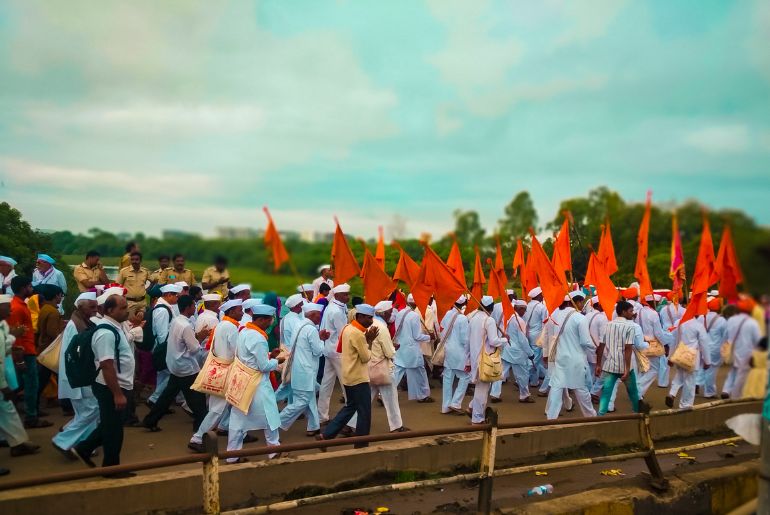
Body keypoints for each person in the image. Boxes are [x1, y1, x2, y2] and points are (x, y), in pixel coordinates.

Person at [71, 294, 135, 477]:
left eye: (126, 306)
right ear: (109, 310)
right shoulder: (105, 333)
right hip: (110, 387)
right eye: (122, 308)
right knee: (114, 430)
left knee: (111, 425)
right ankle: (111, 469)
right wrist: (117, 394)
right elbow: (107, 365)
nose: (126, 310)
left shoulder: (115, 327)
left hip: (118, 385)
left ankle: (83, 449)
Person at [226, 303, 286, 462]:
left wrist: (268, 355)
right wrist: (277, 360)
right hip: (257, 382)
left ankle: (232, 455)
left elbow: (248, 355)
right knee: (270, 416)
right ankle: (274, 449)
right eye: (269, 320)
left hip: (242, 379)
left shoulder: (244, 331)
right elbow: (264, 366)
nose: (271, 323)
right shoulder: (259, 338)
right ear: (261, 320)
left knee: (238, 418)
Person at [143, 295, 210, 433]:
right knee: (199, 405)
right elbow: (194, 349)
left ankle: (150, 420)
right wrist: (201, 338)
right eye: (193, 305)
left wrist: (196, 336)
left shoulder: (177, 321)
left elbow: (184, 342)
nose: (195, 308)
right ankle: (199, 434)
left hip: (176, 366)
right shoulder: (185, 325)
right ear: (188, 308)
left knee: (166, 397)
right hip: (187, 369)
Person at [318, 304, 379, 447]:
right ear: (360, 317)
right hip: (358, 378)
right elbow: (365, 357)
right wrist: (369, 341)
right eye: (369, 318)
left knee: (350, 407)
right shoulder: (357, 334)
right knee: (364, 412)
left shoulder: (348, 328)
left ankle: (326, 436)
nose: (371, 321)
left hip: (348, 376)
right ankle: (361, 444)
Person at [189, 299, 243, 449]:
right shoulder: (231, 327)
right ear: (232, 311)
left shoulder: (221, 324)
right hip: (226, 371)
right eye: (240, 310)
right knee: (217, 410)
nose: (242, 312)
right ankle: (198, 438)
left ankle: (232, 431)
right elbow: (236, 351)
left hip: (219, 369)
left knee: (224, 407)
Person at [52, 292, 100, 455]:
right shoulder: (76, 325)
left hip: (79, 376)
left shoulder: (82, 322)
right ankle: (63, 440)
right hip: (79, 377)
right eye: (91, 307)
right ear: (80, 307)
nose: (95, 310)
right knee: (92, 409)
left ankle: (82, 444)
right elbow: (76, 354)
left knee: (87, 411)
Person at [0, 293, 41, 475]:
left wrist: (11, 342)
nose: (10, 309)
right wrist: (3, 386)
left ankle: (17, 443)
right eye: (6, 306)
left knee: (7, 410)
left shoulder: (2, 325)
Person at [542, 292, 596, 420]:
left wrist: (546, 352)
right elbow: (585, 341)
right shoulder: (579, 318)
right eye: (581, 302)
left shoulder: (554, 314)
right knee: (581, 389)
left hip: (559, 357)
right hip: (575, 359)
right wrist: (597, 346)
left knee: (556, 387)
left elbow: (547, 334)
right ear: (576, 302)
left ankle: (551, 417)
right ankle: (591, 415)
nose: (582, 305)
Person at [279, 303, 329, 436]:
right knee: (302, 401)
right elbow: (318, 351)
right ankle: (276, 422)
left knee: (309, 397)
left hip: (299, 369)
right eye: (319, 314)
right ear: (312, 314)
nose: (320, 317)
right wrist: (322, 339)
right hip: (306, 371)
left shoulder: (299, 324)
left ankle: (313, 427)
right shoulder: (311, 329)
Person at [7, 276, 52, 428]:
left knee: (22, 385)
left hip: (26, 350)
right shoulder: (17, 308)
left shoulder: (20, 305)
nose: (32, 289)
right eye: (30, 287)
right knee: (30, 385)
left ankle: (28, 414)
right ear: (23, 288)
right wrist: (19, 360)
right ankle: (30, 417)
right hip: (24, 353)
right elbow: (15, 335)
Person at [595, 301, 648, 416]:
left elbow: (601, 347)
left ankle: (600, 415)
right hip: (625, 366)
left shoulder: (608, 325)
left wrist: (598, 365)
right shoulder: (630, 326)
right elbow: (628, 348)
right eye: (630, 311)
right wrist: (627, 369)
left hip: (611, 365)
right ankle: (636, 414)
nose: (632, 313)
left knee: (606, 392)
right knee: (633, 392)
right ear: (623, 312)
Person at [467, 296, 508, 424]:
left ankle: (472, 408)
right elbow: (494, 340)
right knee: (482, 390)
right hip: (484, 359)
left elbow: (467, 340)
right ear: (491, 307)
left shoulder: (472, 318)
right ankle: (477, 419)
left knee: (481, 387)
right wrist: (505, 339)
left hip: (475, 357)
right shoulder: (488, 320)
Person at [371, 301, 407, 432]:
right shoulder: (382, 326)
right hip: (383, 367)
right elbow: (389, 351)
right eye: (391, 313)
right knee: (391, 398)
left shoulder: (370, 323)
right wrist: (394, 348)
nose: (392, 315)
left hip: (370, 367)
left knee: (365, 399)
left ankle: (351, 424)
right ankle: (396, 426)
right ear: (385, 313)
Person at [318, 284, 352, 423]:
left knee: (326, 384)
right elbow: (343, 333)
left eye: (347, 294)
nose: (347, 297)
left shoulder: (332, 307)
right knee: (348, 384)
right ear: (337, 295)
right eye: (345, 295)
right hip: (338, 351)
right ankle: (350, 418)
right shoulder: (337, 311)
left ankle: (322, 416)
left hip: (329, 349)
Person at [393, 294, 435, 403]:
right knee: (420, 372)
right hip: (412, 350)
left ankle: (383, 394)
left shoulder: (400, 313)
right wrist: (429, 337)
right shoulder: (414, 316)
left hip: (400, 348)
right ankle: (423, 395)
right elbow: (417, 336)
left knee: (397, 373)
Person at [492, 299, 536, 403]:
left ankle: (495, 394)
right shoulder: (519, 320)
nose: (524, 313)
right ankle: (524, 395)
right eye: (524, 310)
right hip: (517, 353)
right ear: (520, 309)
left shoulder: (510, 318)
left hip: (507, 350)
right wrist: (530, 353)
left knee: (500, 373)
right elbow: (522, 340)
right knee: (522, 375)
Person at [666, 315, 712, 409]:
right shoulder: (698, 325)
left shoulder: (678, 322)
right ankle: (685, 405)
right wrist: (707, 360)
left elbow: (673, 341)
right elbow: (704, 344)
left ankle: (672, 393)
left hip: (679, 355)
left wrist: (670, 357)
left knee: (679, 375)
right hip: (692, 357)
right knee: (689, 382)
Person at [147, 283, 182, 407]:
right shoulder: (162, 310)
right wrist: (167, 350)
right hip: (163, 347)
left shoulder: (165, 307)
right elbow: (162, 334)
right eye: (176, 295)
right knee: (171, 373)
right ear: (168, 295)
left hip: (164, 347)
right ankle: (154, 399)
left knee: (163, 375)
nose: (177, 298)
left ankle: (158, 402)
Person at [722, 299, 762, 399]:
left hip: (732, 350)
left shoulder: (731, 320)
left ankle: (726, 390)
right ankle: (736, 396)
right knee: (742, 374)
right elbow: (758, 340)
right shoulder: (752, 323)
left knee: (733, 370)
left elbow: (725, 335)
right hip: (746, 352)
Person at [34, 284, 64, 415]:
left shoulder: (45, 308)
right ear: (56, 296)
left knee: (42, 379)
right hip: (49, 349)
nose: (61, 298)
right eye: (60, 295)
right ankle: (35, 407)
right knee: (42, 380)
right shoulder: (53, 312)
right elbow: (53, 333)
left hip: (43, 347)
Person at [635, 295, 674, 398]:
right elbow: (658, 333)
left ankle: (638, 392)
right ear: (653, 302)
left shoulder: (637, 312)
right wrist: (666, 344)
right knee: (653, 369)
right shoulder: (653, 314)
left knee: (643, 369)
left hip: (639, 344)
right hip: (652, 345)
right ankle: (638, 391)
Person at [440, 296, 471, 415]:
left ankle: (445, 407)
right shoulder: (462, 318)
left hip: (448, 349)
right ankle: (456, 403)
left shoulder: (448, 314)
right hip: (460, 352)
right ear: (464, 304)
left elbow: (442, 331)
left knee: (448, 378)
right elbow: (464, 339)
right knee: (465, 376)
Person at [699, 297, 727, 399]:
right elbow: (725, 336)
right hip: (715, 348)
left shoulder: (702, 317)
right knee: (711, 370)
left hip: (702, 347)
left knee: (703, 367)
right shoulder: (722, 320)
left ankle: (697, 382)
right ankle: (709, 392)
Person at [524, 287, 548, 391]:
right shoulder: (541, 307)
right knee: (535, 359)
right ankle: (521, 379)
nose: (543, 296)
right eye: (542, 294)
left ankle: (534, 381)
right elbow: (545, 323)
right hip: (537, 336)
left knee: (533, 359)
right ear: (538, 296)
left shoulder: (527, 305)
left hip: (527, 334)